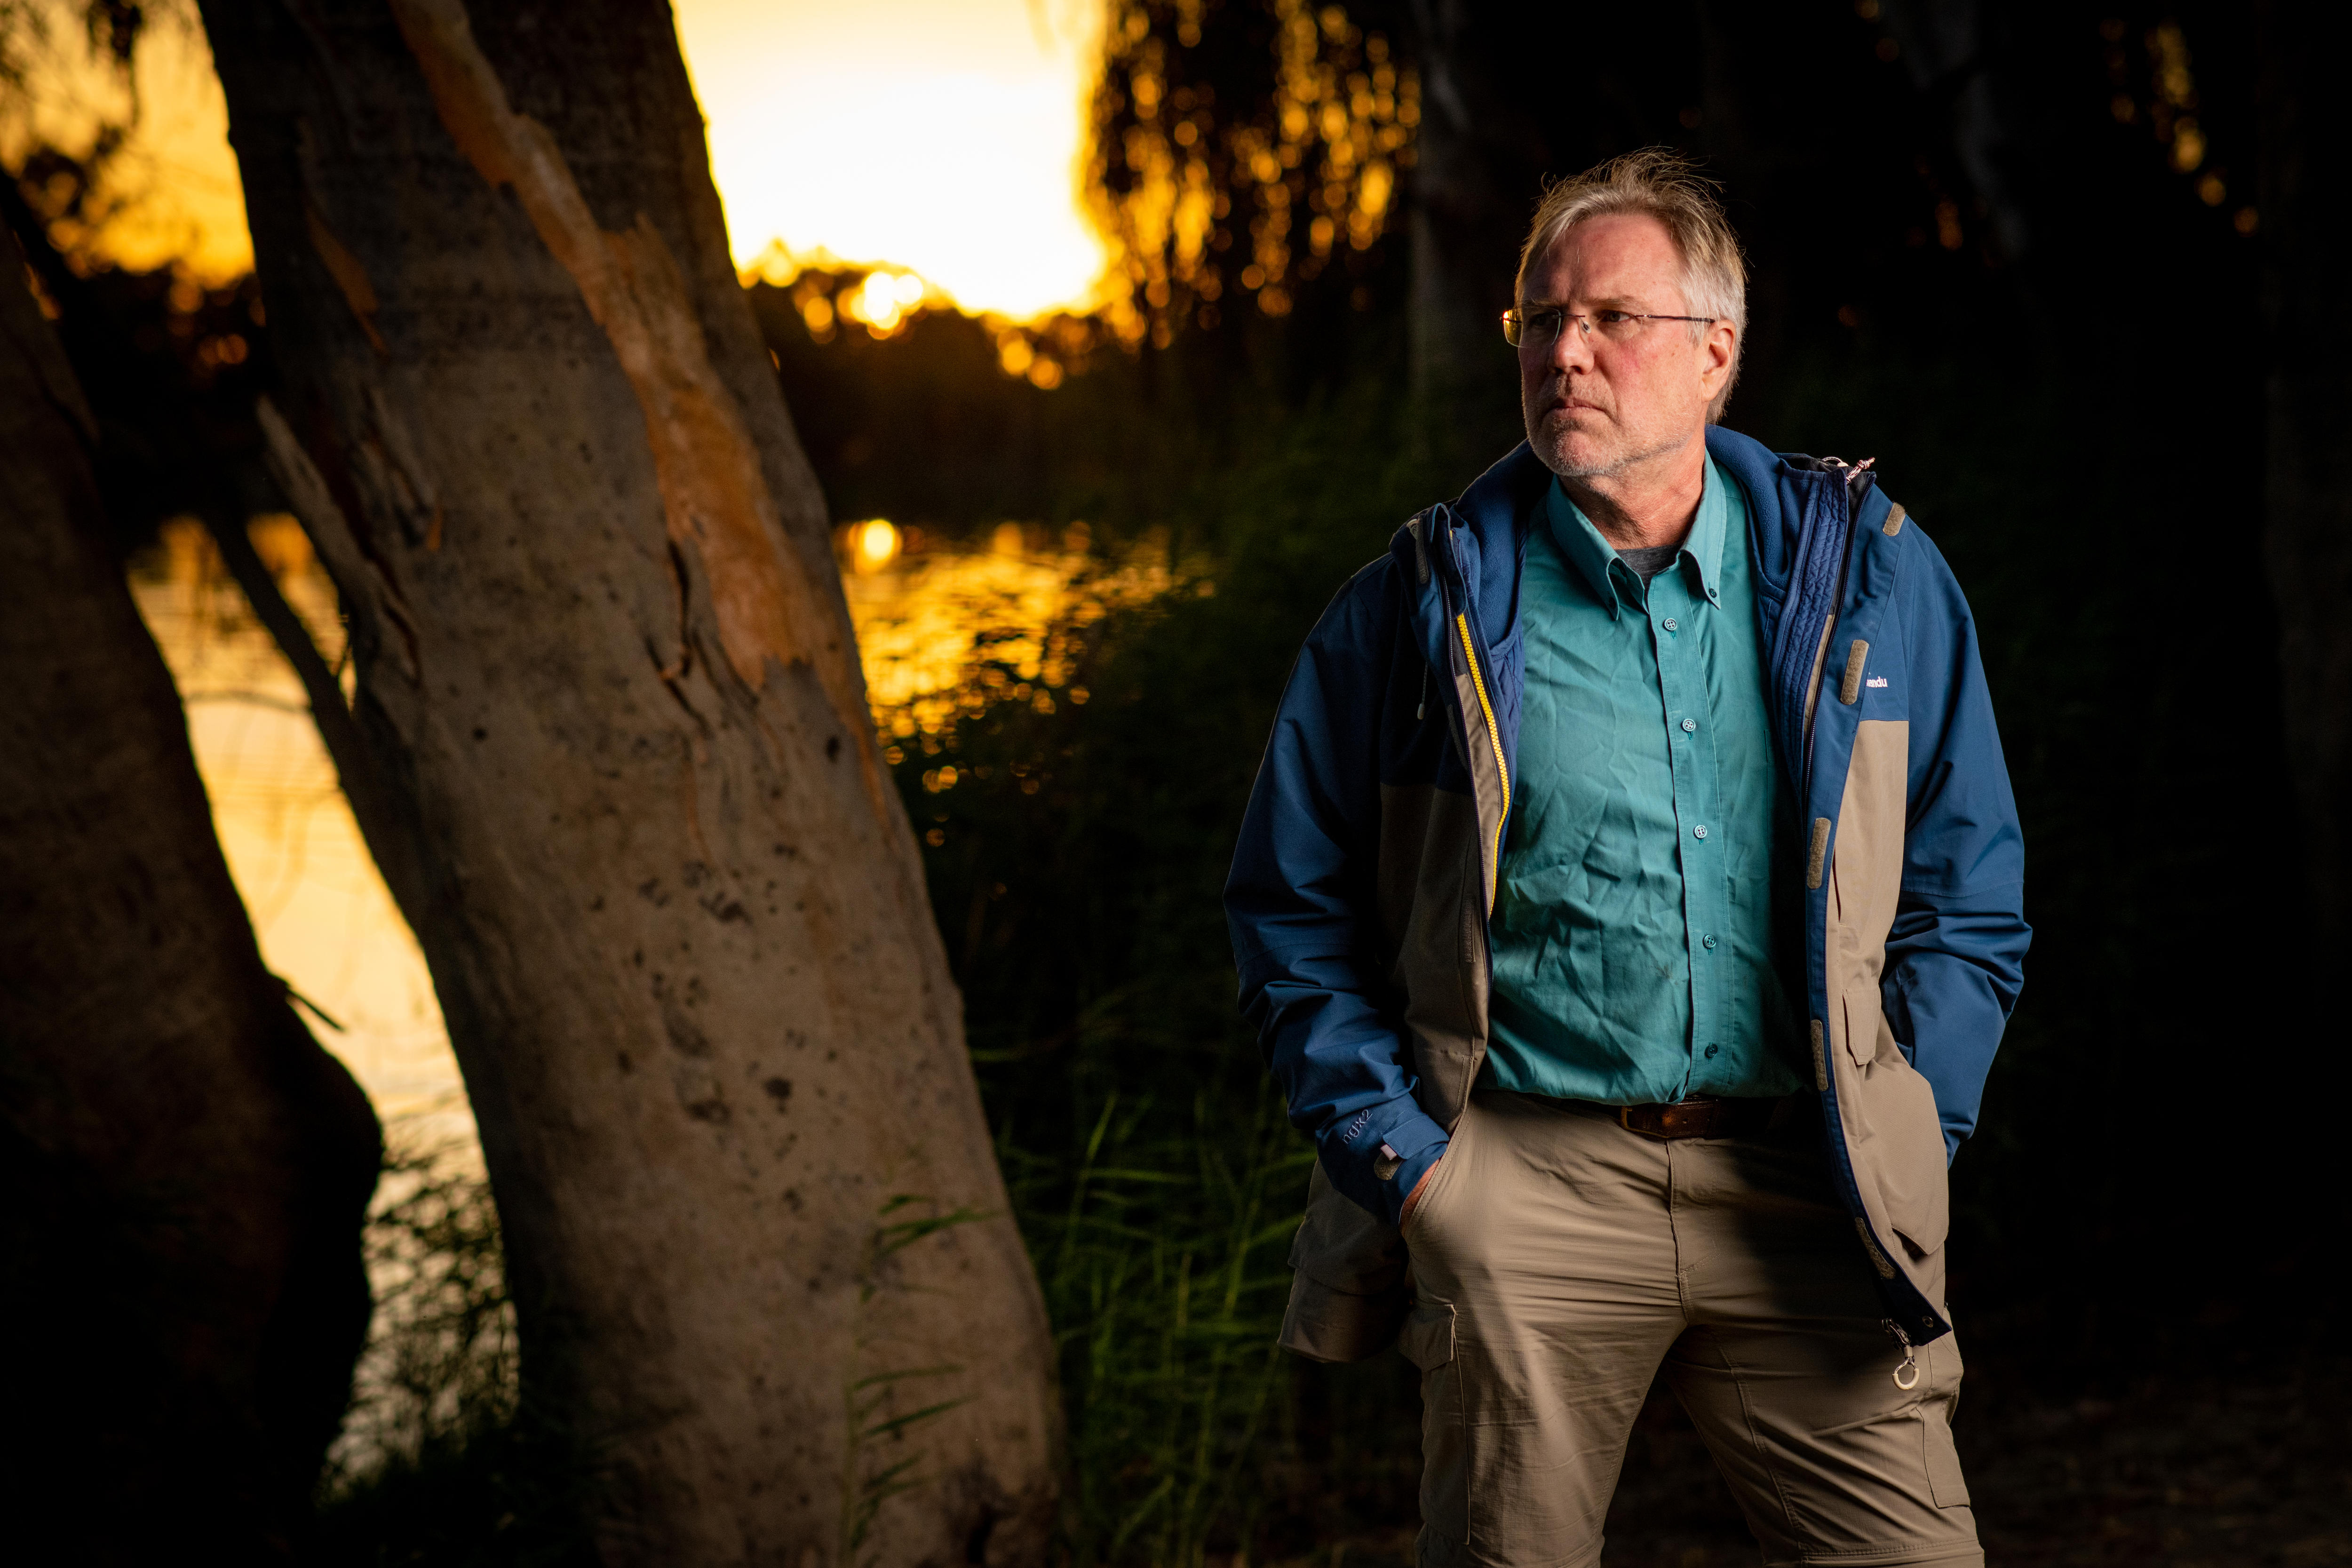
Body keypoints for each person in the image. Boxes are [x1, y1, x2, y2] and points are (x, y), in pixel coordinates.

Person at [1224, 149, 2028, 1568]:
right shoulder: (1417, 610)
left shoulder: (1876, 577)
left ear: (1717, 352)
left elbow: (1972, 897)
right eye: (1539, 321)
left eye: (1610, 320)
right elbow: (1290, 908)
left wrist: (1907, 1123)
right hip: (1523, 1195)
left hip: (1808, 1193)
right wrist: (1417, 1173)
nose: (1564, 355)